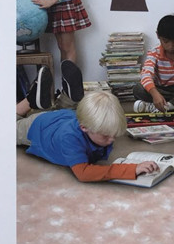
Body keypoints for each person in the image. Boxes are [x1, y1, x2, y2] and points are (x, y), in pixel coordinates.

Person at [17, 63, 158, 183]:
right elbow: (84, 173)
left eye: (114, 135)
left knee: (66, 111)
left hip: (66, 116)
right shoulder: (70, 138)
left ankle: (68, 98)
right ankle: (30, 100)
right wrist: (133, 169)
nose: (112, 140)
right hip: (39, 126)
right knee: (9, 125)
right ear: (84, 127)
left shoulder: (91, 123)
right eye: (106, 136)